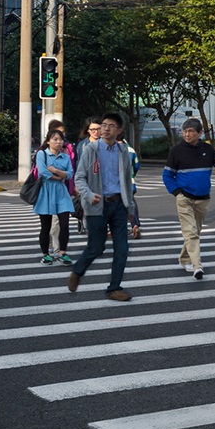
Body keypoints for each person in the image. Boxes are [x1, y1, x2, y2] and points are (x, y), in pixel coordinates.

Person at [162, 116, 215, 278]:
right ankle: (196, 265)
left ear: (199, 133)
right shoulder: (176, 151)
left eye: (190, 132)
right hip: (184, 198)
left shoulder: (207, 150)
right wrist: (177, 193)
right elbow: (167, 175)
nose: (186, 135)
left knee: (195, 231)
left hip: (203, 199)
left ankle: (184, 258)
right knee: (191, 232)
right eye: (184, 132)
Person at [68, 111, 137, 302]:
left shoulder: (123, 151)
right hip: (97, 206)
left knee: (122, 248)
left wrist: (130, 209)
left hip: (119, 206)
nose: (105, 129)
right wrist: (90, 196)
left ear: (119, 130)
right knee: (96, 247)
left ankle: (114, 288)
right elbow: (79, 178)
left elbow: (127, 181)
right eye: (104, 125)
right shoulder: (91, 149)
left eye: (110, 126)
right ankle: (77, 271)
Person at [33, 127, 75, 264]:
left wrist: (55, 170)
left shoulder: (66, 157)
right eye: (55, 139)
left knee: (65, 223)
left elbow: (69, 174)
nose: (58, 142)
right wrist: (59, 177)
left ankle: (62, 252)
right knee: (46, 225)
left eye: (60, 139)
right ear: (48, 141)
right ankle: (45, 254)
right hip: (46, 191)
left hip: (61, 192)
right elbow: (43, 172)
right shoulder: (42, 154)